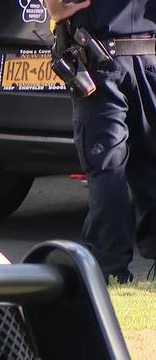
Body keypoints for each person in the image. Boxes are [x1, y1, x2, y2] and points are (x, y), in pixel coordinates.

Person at [46, 0, 156, 283]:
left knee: (107, 167)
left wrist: (55, 7)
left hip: (101, 55)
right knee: (151, 162)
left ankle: (110, 270)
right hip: (149, 52)